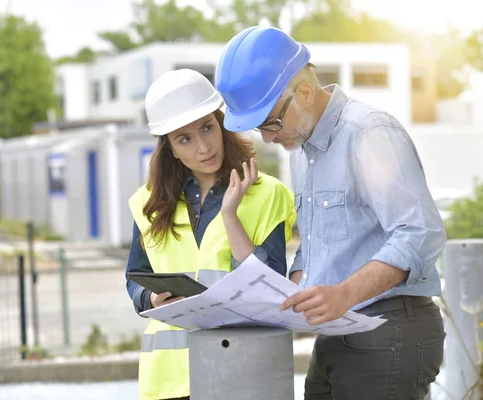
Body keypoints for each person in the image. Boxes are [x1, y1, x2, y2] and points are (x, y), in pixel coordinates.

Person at [215, 26, 447, 400]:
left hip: (388, 332)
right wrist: (293, 289)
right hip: (337, 334)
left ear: (304, 93)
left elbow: (420, 233)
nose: (270, 139)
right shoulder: (304, 152)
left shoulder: (368, 133)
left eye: (271, 124)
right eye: (261, 129)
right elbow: (317, 243)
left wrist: (345, 293)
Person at [125, 68, 296, 400]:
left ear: (222, 124)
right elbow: (135, 277)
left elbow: (270, 284)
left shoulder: (267, 194)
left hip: (238, 374)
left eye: (207, 127)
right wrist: (151, 298)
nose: (203, 147)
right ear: (171, 148)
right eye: (184, 139)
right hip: (166, 382)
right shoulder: (147, 203)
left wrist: (230, 214)